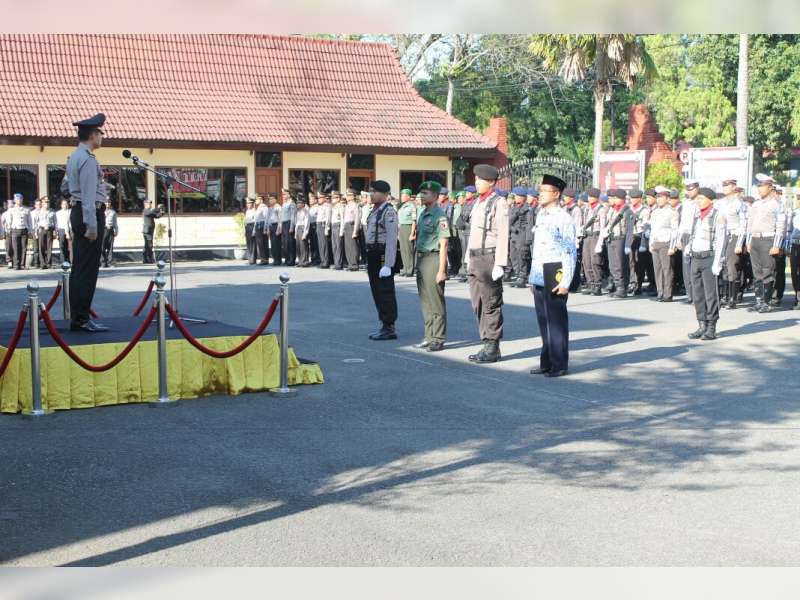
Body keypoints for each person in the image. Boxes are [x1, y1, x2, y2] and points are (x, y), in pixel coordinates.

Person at [528, 174, 577, 378]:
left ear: (556, 194)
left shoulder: (563, 218)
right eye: (540, 190)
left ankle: (559, 364)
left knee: (556, 322)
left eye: (545, 191)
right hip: (539, 273)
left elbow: (569, 251)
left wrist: (566, 281)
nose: (540, 194)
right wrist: (532, 278)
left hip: (555, 272)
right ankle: (546, 362)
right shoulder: (542, 215)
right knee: (543, 320)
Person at [64, 113, 109, 332]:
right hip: (88, 214)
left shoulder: (74, 156)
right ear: (92, 135)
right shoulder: (88, 159)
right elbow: (90, 196)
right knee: (87, 269)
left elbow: (67, 188)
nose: (102, 137)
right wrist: (92, 226)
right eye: (100, 133)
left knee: (80, 267)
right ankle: (81, 318)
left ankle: (78, 317)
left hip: (78, 211)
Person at [466, 164, 508, 363]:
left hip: (489, 258)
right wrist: (468, 257)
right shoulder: (478, 202)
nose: (476, 183)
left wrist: (500, 263)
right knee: (478, 302)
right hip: (475, 257)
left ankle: (492, 346)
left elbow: (502, 234)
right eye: (475, 179)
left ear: (491, 182)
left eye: (480, 180)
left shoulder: (498, 203)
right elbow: (474, 233)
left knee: (491, 303)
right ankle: (486, 342)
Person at [410, 181, 449, 351]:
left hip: (433, 259)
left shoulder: (439, 216)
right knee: (425, 300)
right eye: (421, 193)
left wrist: (441, 270)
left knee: (436, 301)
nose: (422, 196)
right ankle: (429, 335)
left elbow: (444, 243)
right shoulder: (423, 212)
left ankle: (438, 338)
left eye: (425, 193)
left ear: (434, 196)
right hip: (422, 258)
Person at [686, 188, 727, 341]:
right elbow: (693, 235)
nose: (698, 201)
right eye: (697, 198)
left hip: (709, 258)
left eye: (701, 198)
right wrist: (688, 249)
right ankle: (701, 324)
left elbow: (721, 240)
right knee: (697, 295)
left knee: (711, 294)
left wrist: (718, 262)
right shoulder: (698, 216)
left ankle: (711, 327)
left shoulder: (718, 216)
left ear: (711, 200)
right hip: (696, 258)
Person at [746, 173, 786, 313]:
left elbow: (781, 226)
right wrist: (749, 240)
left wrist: (776, 245)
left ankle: (767, 302)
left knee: (767, 271)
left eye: (762, 186)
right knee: (756, 271)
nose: (759, 189)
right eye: (758, 186)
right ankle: (759, 301)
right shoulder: (756, 204)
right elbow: (750, 224)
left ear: (770, 187)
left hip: (768, 240)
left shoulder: (777, 204)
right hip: (755, 239)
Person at [364, 180, 399, 341]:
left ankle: (389, 326)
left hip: (382, 254)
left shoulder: (388, 211)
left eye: (375, 192)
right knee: (376, 291)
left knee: (385, 291)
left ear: (385, 195)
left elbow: (391, 239)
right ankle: (384, 324)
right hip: (373, 253)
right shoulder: (374, 210)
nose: (371, 194)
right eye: (371, 191)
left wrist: (388, 264)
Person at [716, 178, 748, 309]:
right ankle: (725, 296)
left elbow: (743, 224)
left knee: (732, 267)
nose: (725, 187)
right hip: (723, 235)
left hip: (734, 235)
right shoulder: (721, 203)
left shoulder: (739, 203)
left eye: (727, 185)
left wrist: (740, 243)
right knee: (723, 265)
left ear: (734, 187)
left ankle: (732, 299)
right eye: (723, 185)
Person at [599, 189, 633, 298]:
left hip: (620, 239)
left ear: (621, 199)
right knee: (612, 265)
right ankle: (617, 286)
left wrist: (628, 245)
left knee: (620, 264)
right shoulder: (612, 210)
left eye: (615, 198)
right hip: (612, 239)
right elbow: (609, 224)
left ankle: (622, 288)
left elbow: (630, 230)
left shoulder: (627, 211)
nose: (613, 200)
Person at [648, 186, 680, 302]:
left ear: (667, 198)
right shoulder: (655, 212)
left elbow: (675, 230)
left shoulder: (672, 212)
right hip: (656, 242)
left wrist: (672, 246)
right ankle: (660, 292)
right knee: (657, 270)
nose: (659, 199)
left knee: (667, 270)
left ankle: (667, 294)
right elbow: (653, 229)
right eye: (658, 197)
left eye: (661, 197)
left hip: (666, 243)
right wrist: (651, 243)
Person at [628, 189, 654, 295]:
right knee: (630, 261)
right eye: (631, 198)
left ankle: (638, 284)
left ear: (639, 199)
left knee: (639, 262)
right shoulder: (629, 209)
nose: (632, 200)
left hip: (640, 237)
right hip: (630, 237)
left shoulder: (645, 210)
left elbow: (645, 226)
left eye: (634, 198)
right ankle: (632, 282)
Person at [678, 181, 700, 303]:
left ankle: (696, 296)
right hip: (685, 235)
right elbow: (683, 221)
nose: (689, 192)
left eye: (691, 189)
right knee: (686, 268)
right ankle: (689, 295)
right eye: (688, 189)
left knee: (694, 268)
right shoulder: (686, 203)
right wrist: (679, 238)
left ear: (697, 189)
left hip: (696, 236)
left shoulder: (700, 201)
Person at [580, 188, 605, 296]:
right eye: (589, 196)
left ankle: (597, 285)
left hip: (596, 236)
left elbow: (603, 227)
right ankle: (590, 284)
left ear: (596, 197)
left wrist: (600, 242)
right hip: (587, 237)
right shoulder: (586, 209)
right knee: (586, 260)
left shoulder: (601, 210)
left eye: (591, 197)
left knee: (595, 260)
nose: (589, 199)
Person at [509, 187, 533, 288]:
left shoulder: (528, 209)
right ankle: (518, 274)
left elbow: (529, 224)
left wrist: (528, 239)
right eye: (515, 196)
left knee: (521, 256)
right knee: (513, 255)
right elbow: (509, 220)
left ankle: (522, 277)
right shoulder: (514, 207)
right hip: (514, 234)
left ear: (523, 198)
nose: (515, 198)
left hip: (522, 235)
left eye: (517, 196)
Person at [562, 188, 583, 292]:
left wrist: (576, 241)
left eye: (565, 197)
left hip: (573, 238)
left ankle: (575, 284)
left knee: (574, 262)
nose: (564, 198)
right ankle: (567, 283)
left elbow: (577, 225)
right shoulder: (565, 208)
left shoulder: (576, 209)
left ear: (571, 198)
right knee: (566, 262)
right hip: (565, 238)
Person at [456, 185, 475, 282]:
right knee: (464, 253)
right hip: (465, 231)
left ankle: (470, 274)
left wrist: (461, 221)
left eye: (468, 193)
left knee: (470, 254)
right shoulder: (467, 203)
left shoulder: (474, 203)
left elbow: (466, 216)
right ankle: (465, 272)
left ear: (473, 194)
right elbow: (462, 216)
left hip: (470, 231)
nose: (466, 194)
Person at [396, 188, 417, 277]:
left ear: (408, 197)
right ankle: (405, 268)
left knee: (409, 250)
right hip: (401, 227)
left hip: (408, 228)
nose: (402, 197)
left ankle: (410, 270)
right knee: (403, 250)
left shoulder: (412, 206)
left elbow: (414, 221)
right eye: (401, 195)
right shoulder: (401, 206)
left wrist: (412, 233)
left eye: (403, 196)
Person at [9, 193, 32, 270]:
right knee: (15, 248)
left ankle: (22, 264)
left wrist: (30, 230)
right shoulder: (11, 210)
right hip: (15, 229)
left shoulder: (26, 209)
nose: (19, 200)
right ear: (15, 200)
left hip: (24, 229)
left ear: (22, 200)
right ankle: (16, 265)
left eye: (20, 199)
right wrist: (9, 230)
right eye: (17, 199)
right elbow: (9, 221)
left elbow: (29, 221)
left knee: (24, 248)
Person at [342, 189, 361, 271]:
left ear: (353, 196)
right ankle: (350, 264)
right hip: (347, 226)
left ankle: (354, 264)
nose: (347, 197)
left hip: (352, 226)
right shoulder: (347, 205)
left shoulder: (355, 205)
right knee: (348, 246)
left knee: (353, 246)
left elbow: (357, 219)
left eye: (349, 195)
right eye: (347, 195)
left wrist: (355, 231)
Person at [36, 198, 57, 269]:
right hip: (41, 229)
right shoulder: (38, 212)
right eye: (45, 202)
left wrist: (55, 231)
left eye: (48, 202)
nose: (46, 203)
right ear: (42, 203)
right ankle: (42, 263)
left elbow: (55, 223)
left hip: (50, 230)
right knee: (41, 247)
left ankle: (48, 263)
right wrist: (36, 232)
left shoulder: (52, 212)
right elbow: (35, 223)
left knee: (49, 247)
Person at [788, 199, 800, 310]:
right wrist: (787, 246)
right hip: (795, 244)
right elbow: (789, 231)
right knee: (795, 273)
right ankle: (797, 296)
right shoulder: (795, 213)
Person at [142, 199, 162, 264]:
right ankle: (150, 259)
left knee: (147, 245)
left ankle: (145, 259)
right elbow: (153, 214)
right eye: (149, 203)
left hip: (149, 230)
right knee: (149, 245)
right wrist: (159, 209)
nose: (150, 204)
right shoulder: (146, 211)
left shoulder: (149, 211)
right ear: (145, 204)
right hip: (147, 231)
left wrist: (160, 211)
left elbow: (154, 214)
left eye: (151, 203)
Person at [280, 189, 297, 266]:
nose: (283, 196)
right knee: (285, 243)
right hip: (284, 224)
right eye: (283, 194)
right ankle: (287, 259)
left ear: (289, 195)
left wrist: (291, 226)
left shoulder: (292, 203)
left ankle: (291, 260)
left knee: (290, 243)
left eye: (285, 194)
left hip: (289, 223)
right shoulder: (284, 204)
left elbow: (293, 215)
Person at [316, 192, 332, 268]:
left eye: (320, 198)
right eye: (318, 198)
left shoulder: (327, 206)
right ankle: (322, 261)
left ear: (324, 198)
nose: (318, 199)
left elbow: (328, 218)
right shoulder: (319, 206)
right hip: (319, 225)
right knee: (320, 245)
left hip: (323, 225)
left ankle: (325, 262)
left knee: (324, 245)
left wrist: (327, 228)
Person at [100, 200, 117, 268]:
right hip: (103, 229)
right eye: (106, 202)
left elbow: (115, 222)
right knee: (102, 247)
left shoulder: (113, 212)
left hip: (111, 230)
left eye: (109, 202)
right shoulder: (101, 211)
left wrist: (116, 230)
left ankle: (110, 262)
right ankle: (103, 262)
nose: (107, 204)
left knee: (110, 247)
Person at [329, 191, 344, 270]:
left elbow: (342, 219)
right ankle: (336, 263)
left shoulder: (341, 207)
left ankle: (339, 264)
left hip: (338, 226)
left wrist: (341, 231)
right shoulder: (333, 207)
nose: (332, 199)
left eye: (334, 198)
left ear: (338, 198)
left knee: (338, 246)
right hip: (333, 225)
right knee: (334, 246)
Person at [267, 193, 282, 266]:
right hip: (271, 226)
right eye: (269, 199)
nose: (270, 200)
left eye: (272, 199)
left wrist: (279, 229)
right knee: (273, 244)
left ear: (275, 199)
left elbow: (280, 219)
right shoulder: (270, 208)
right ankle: (274, 259)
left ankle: (278, 260)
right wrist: (268, 229)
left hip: (276, 226)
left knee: (277, 244)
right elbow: (268, 219)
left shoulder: (278, 207)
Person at [295, 198, 311, 267]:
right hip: (298, 228)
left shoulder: (306, 212)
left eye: (299, 203)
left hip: (302, 229)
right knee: (298, 246)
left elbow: (307, 223)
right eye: (297, 203)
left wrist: (305, 233)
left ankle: (305, 261)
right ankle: (300, 261)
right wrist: (295, 233)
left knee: (303, 246)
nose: (297, 204)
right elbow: (296, 223)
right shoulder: (298, 212)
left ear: (303, 204)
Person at [56, 198, 71, 264]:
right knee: (62, 245)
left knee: (69, 245)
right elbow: (56, 223)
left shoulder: (70, 211)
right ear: (61, 205)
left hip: (69, 230)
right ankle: (63, 260)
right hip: (61, 229)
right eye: (63, 204)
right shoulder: (57, 213)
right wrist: (56, 232)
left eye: (66, 204)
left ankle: (69, 260)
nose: (65, 205)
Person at [254, 195, 269, 265]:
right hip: (258, 225)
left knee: (263, 243)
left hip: (262, 226)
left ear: (261, 200)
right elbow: (256, 220)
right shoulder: (258, 208)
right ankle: (262, 258)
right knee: (259, 243)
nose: (256, 201)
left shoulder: (264, 207)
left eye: (257, 199)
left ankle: (265, 259)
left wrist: (265, 228)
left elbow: (266, 218)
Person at [244, 198, 258, 264]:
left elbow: (255, 221)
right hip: (247, 227)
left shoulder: (254, 211)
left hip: (252, 226)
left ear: (252, 204)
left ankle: (253, 259)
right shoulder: (247, 211)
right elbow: (245, 221)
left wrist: (254, 230)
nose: (248, 204)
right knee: (248, 244)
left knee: (253, 244)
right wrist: (245, 230)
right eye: (247, 203)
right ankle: (249, 259)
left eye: (249, 203)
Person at [29, 199, 41, 268]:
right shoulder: (32, 213)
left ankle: (43, 262)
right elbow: (31, 224)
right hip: (34, 231)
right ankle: (36, 263)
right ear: (35, 205)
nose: (38, 206)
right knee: (36, 248)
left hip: (42, 231)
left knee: (42, 247)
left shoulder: (43, 212)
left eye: (39, 204)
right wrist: (32, 232)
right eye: (37, 204)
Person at [2, 199, 14, 268]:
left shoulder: (15, 213)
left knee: (15, 247)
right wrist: (3, 233)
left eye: (12, 203)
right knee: (8, 247)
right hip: (8, 232)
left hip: (16, 231)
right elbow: (2, 225)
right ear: (7, 205)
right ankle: (9, 261)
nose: (11, 205)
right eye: (9, 204)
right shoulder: (4, 214)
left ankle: (15, 260)